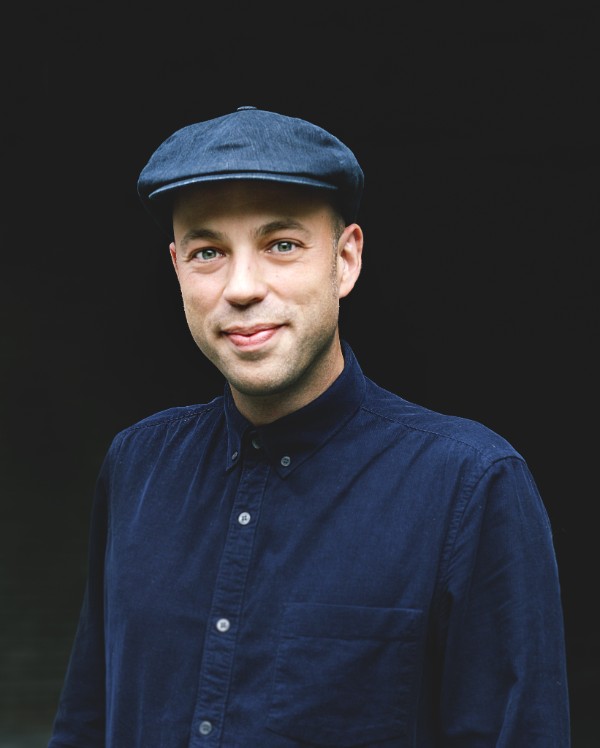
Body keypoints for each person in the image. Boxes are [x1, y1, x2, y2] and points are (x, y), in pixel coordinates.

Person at [48, 106, 570, 747]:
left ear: (345, 260)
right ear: (178, 267)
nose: (242, 287)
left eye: (282, 245)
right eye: (208, 252)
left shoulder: (470, 484)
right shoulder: (137, 466)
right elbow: (84, 724)